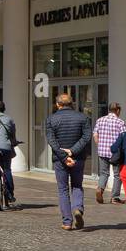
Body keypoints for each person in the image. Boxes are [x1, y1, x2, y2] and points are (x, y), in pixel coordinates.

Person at [45, 93, 93, 230]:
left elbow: (52, 141)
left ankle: (67, 221)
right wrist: (72, 151)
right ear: (72, 103)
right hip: (78, 158)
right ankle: (77, 208)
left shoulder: (51, 119)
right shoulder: (83, 117)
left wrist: (64, 156)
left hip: (60, 160)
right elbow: (86, 137)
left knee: (63, 189)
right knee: (77, 185)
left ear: (58, 104)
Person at [93, 101, 126, 205]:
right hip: (116, 153)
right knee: (118, 175)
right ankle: (115, 198)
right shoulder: (120, 122)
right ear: (117, 110)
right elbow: (124, 137)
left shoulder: (100, 120)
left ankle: (100, 188)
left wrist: (100, 145)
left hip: (102, 151)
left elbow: (95, 135)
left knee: (104, 173)